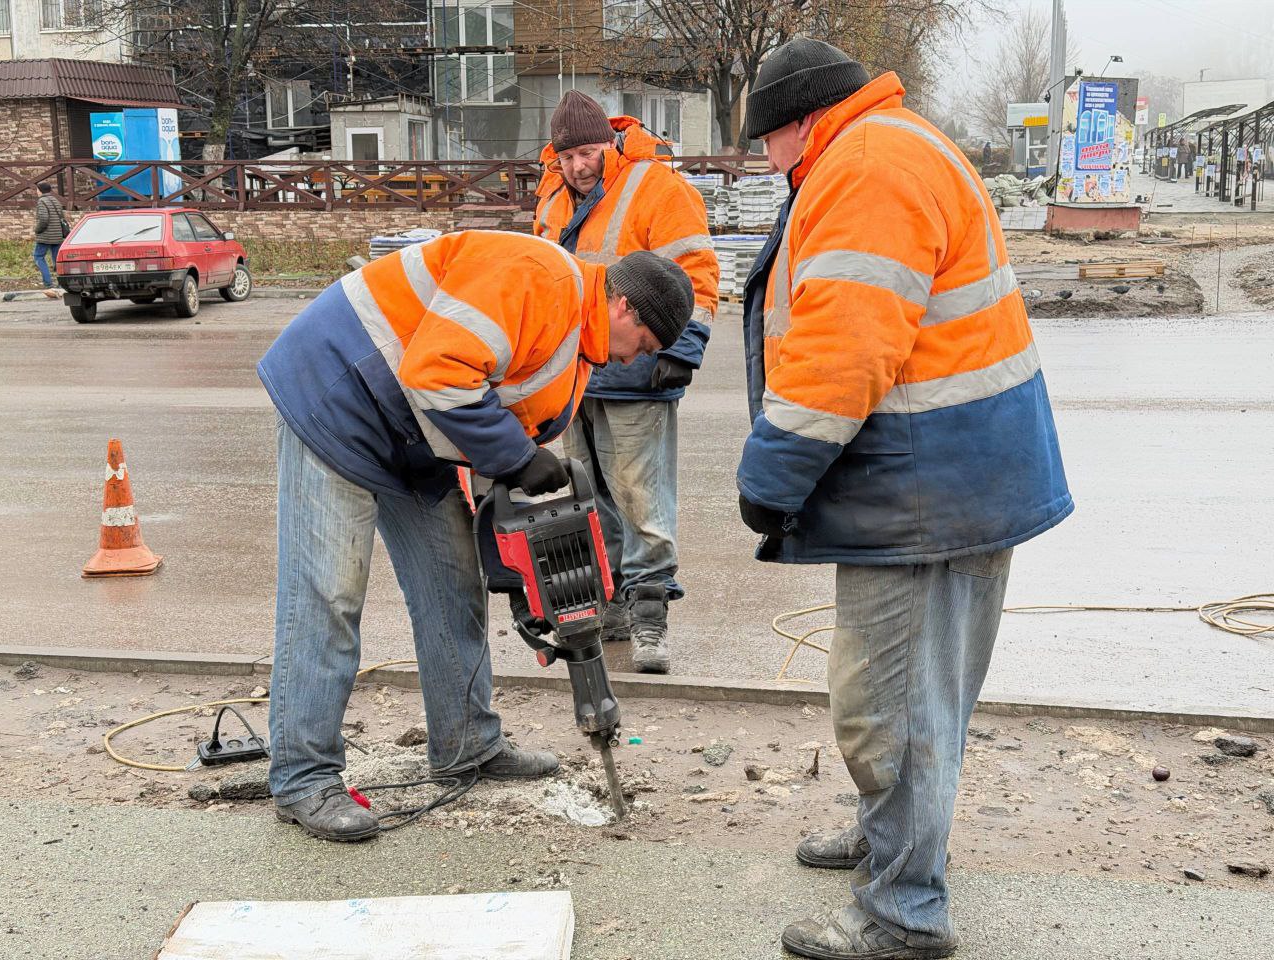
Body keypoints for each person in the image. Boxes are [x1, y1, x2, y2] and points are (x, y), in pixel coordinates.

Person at [736, 39, 1072, 960]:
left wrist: (771, 474)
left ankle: (903, 913)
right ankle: (896, 842)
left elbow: (843, 350)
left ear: (798, 120)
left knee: (888, 706)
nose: (766, 162)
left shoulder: (866, 167)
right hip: (948, 477)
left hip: (929, 488)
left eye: (765, 142)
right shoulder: (888, 145)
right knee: (918, 696)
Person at [257, 231, 693, 841]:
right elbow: (436, 372)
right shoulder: (539, 277)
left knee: (455, 583)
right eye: (641, 345)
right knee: (328, 596)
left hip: (411, 437)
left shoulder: (576, 352)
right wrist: (520, 458)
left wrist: (508, 557)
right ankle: (304, 777)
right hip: (338, 399)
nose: (631, 361)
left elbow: (484, 428)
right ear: (624, 307)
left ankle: (467, 744)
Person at [535, 91, 719, 674]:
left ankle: (649, 621)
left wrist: (684, 347)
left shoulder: (657, 188)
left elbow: (695, 271)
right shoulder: (551, 198)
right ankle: (611, 605)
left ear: (609, 144)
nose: (577, 168)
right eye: (566, 159)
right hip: (576, 373)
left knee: (642, 500)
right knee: (590, 498)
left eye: (586, 154)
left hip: (639, 373)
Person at [33, 182, 68, 296]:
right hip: (57, 235)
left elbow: (43, 219)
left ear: (40, 190)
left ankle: (48, 283)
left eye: (37, 190)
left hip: (45, 236)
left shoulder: (42, 201)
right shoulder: (55, 200)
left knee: (38, 257)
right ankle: (61, 284)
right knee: (57, 260)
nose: (36, 192)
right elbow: (62, 217)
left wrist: (37, 230)